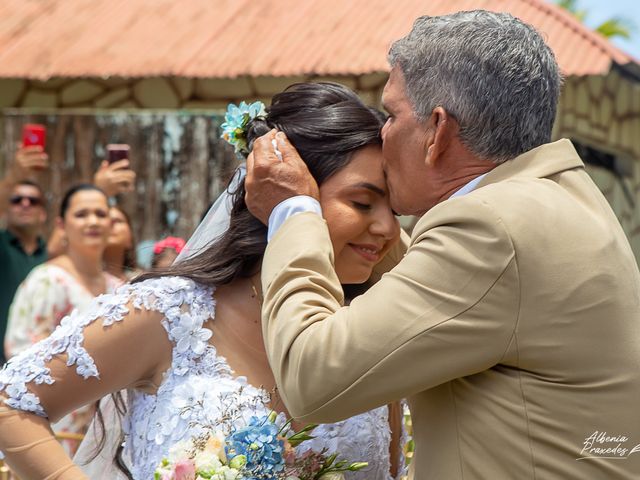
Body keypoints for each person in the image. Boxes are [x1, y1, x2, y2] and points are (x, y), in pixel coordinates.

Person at [244, 11, 640, 480]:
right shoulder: (563, 198)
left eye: (391, 114)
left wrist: (294, 212)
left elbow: (312, 380)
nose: (382, 132)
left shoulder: (489, 229)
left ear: (438, 131)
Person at [0, 83, 406, 480]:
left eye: (394, 207)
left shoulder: (370, 328)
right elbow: (12, 403)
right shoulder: (170, 314)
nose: (387, 227)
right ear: (281, 193)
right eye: (362, 203)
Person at [4, 184, 120, 454]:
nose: (92, 221)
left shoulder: (119, 287)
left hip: (107, 428)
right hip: (55, 424)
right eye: (81, 214)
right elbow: (21, 353)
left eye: (100, 214)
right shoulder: (46, 280)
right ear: (62, 224)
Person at [0, 146, 49, 365]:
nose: (25, 203)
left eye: (33, 200)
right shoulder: (2, 244)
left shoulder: (53, 256)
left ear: (43, 213)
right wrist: (14, 176)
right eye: (16, 199)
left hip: (38, 368)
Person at [103, 206, 138, 281]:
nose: (110, 224)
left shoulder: (142, 283)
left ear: (130, 239)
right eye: (104, 220)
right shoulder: (77, 279)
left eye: (118, 220)